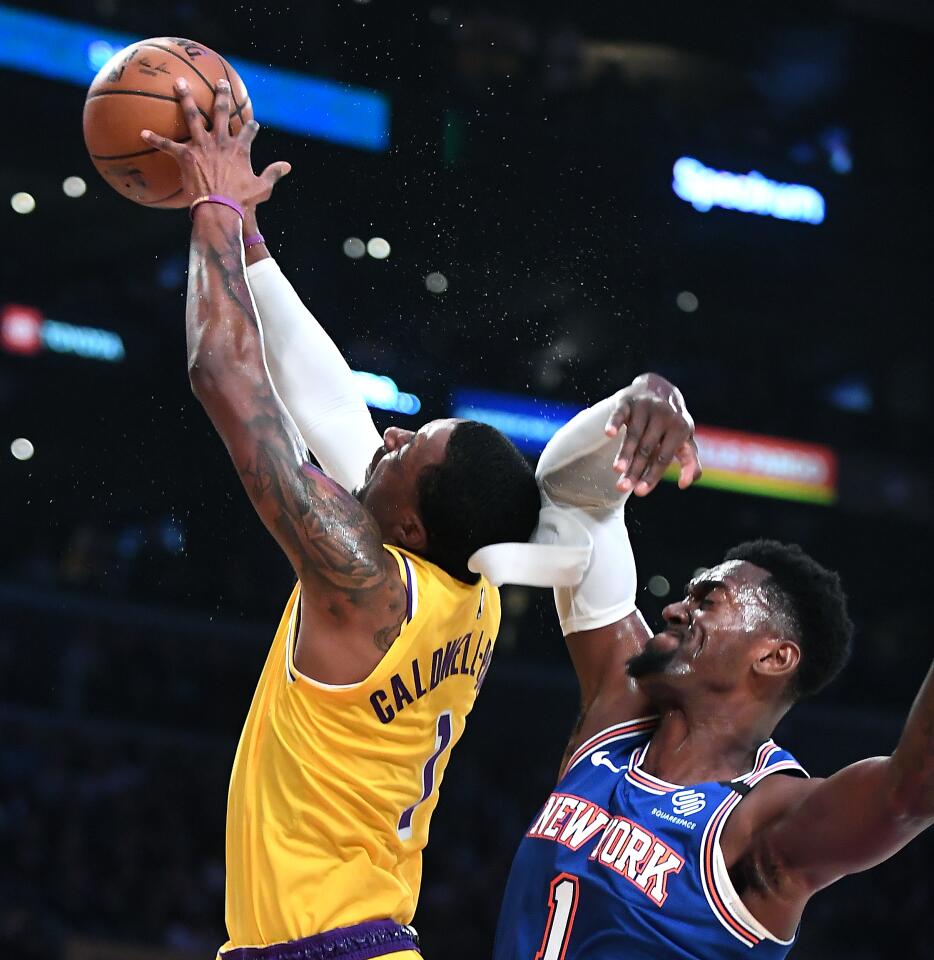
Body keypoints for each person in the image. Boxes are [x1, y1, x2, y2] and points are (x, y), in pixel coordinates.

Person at [143, 79, 698, 960]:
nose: (389, 435)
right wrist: (251, 237)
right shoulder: (463, 584)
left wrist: (211, 202)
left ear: (403, 523)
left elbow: (227, 380)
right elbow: (325, 397)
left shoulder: (359, 584)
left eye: (404, 450)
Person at [492, 385, 934, 959]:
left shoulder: (763, 818)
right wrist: (633, 403)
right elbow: (570, 497)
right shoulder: (616, 714)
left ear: (774, 657)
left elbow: (910, 793)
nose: (676, 608)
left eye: (709, 599)